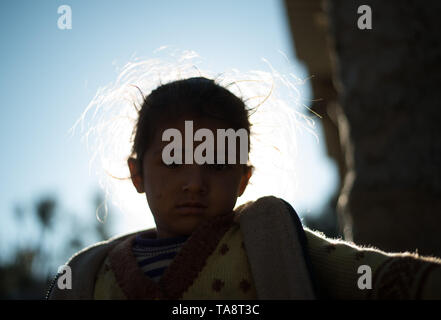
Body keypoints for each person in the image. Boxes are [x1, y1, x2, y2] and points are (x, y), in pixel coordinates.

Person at [48, 77, 441, 300]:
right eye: (173, 160)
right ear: (137, 174)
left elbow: (373, 276)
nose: (194, 182)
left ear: (243, 179)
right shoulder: (91, 276)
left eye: (217, 164)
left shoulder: (267, 240)